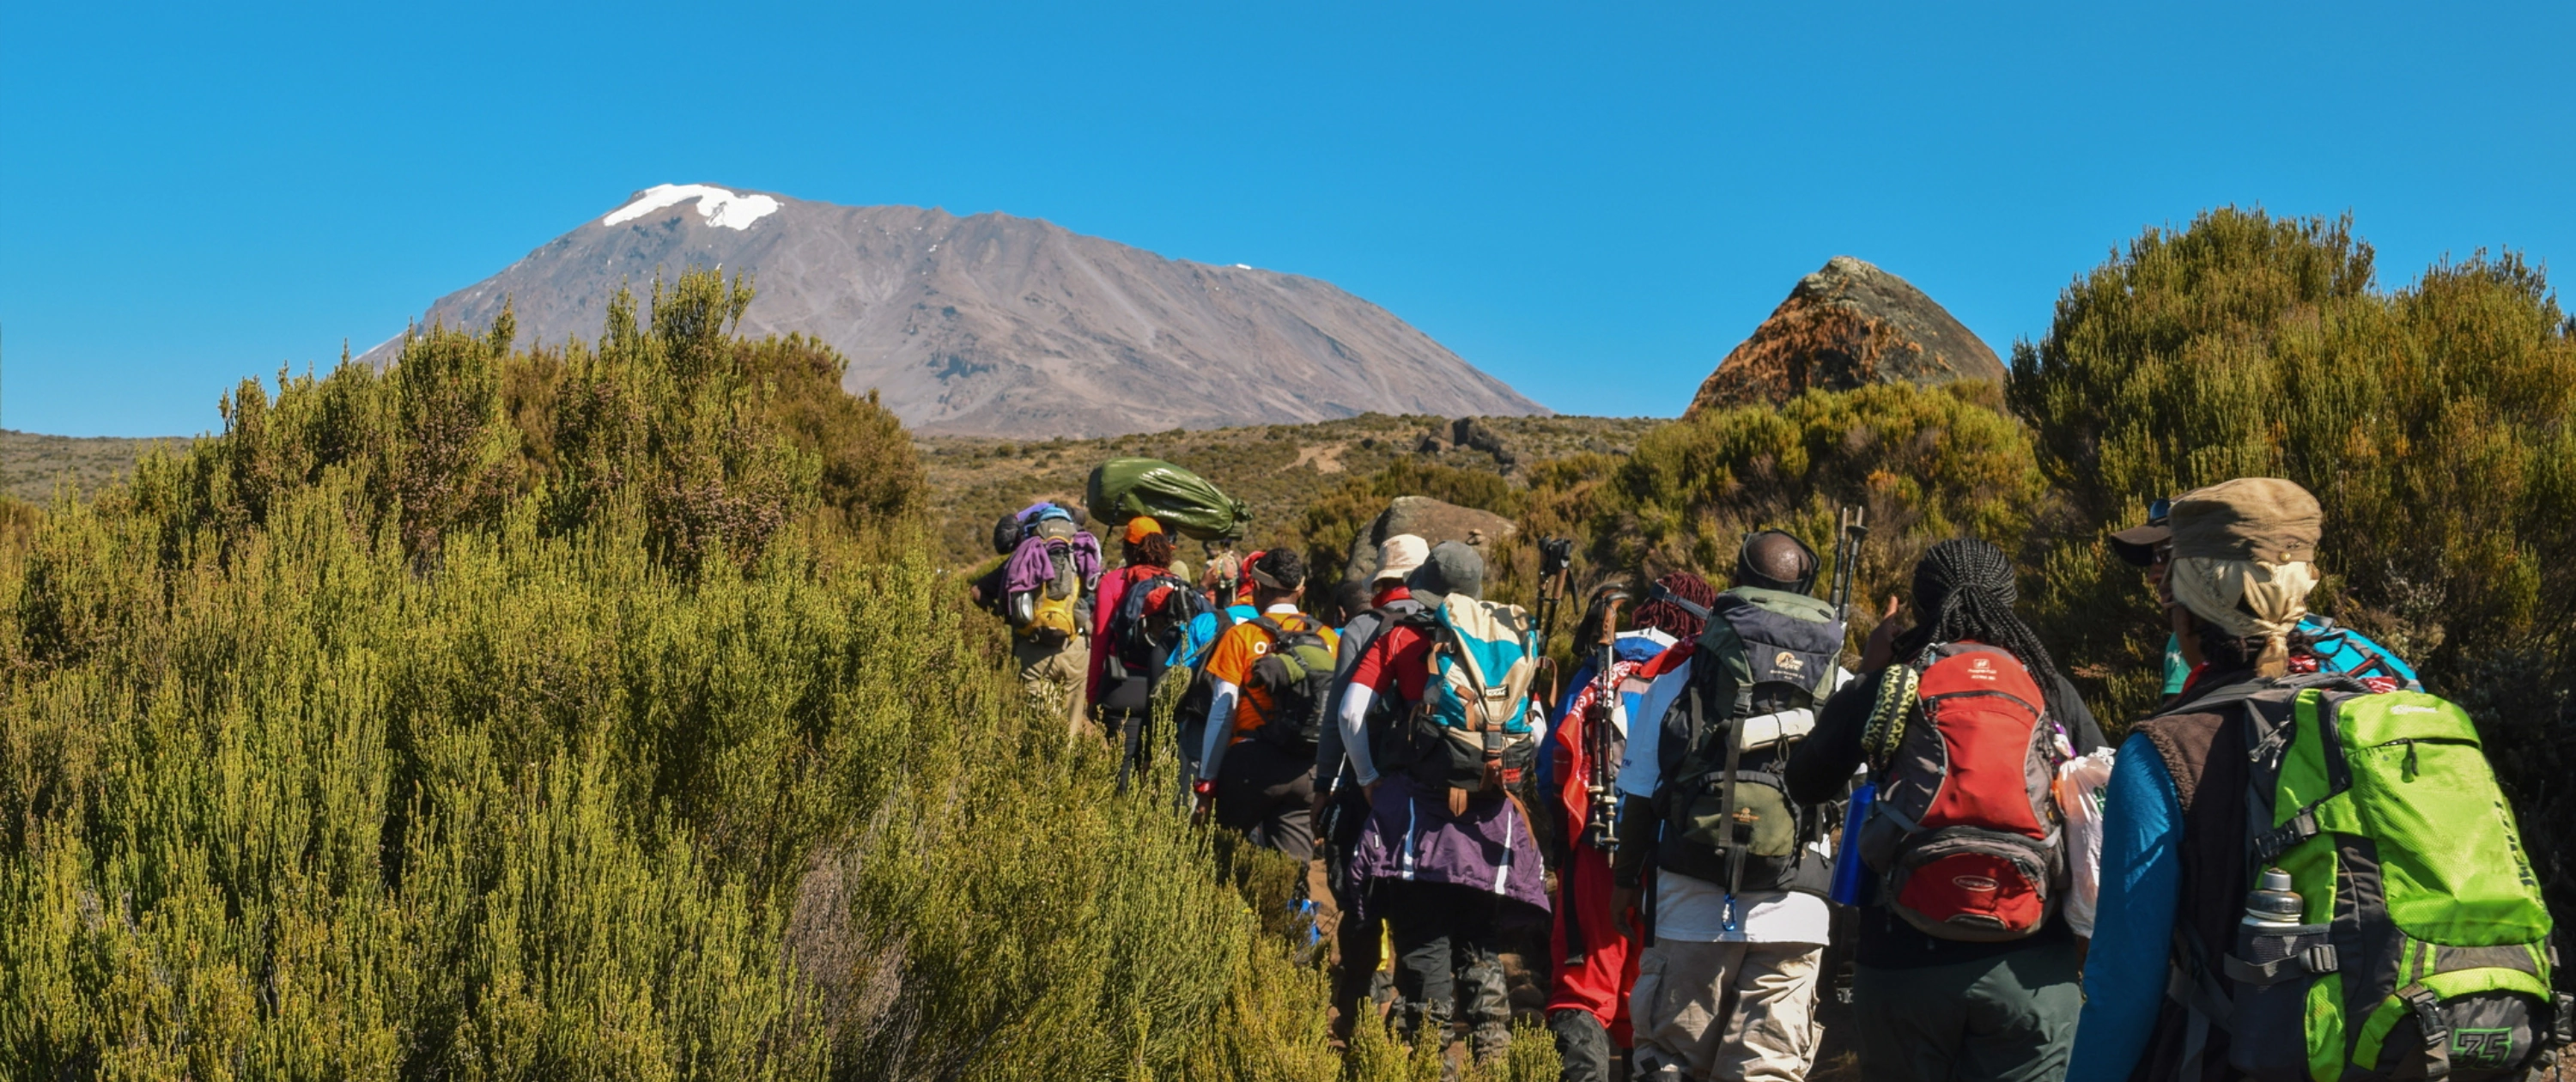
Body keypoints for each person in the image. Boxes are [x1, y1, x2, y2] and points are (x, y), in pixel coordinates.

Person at [1783, 538, 2107, 1082]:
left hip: (1903, 959)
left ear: (1921, 603)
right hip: (2030, 964)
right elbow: (2099, 807)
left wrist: (1869, 672)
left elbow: (1806, 782)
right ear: (2007, 600)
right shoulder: (2046, 687)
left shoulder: (1896, 680)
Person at [2068, 478, 2324, 1081]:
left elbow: (2124, 986)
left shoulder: (2163, 751)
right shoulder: (2378, 701)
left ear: (2187, 606)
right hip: (2382, 1044)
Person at [1607, 536, 1846, 1082]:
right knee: (1767, 1071)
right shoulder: (1839, 678)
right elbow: (1854, 791)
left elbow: (1641, 788)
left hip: (1694, 903)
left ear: (1737, 579)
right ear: (1805, 587)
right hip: (1796, 904)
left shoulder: (1686, 672)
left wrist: (1626, 882)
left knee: (1670, 1063)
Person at [1337, 541, 1551, 1066]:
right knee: (1479, 935)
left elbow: (1350, 712)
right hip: (1488, 813)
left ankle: (1433, 1060)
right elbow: (1538, 727)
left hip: (1418, 812)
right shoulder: (1506, 639)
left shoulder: (1403, 633)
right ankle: (1494, 1053)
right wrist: (1493, 768)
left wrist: (1368, 780)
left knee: (1424, 936)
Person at [1542, 571, 1710, 1082]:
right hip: (1670, 859)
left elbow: (1553, 757)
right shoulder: (1698, 668)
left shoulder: (1604, 661)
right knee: (1648, 998)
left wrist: (1560, 845)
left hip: (1599, 842)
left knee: (1584, 986)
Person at [2111, 496, 2419, 699]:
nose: (2153, 575)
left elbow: (2176, 747)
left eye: (2165, 556)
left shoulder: (2196, 641)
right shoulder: (2348, 644)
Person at [1312, 533, 1431, 1044]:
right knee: (1418, 910)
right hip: (1428, 790)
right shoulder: (1438, 627)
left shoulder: (1361, 627)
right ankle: (1414, 1023)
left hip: (1371, 786)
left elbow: (1341, 717)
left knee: (1362, 902)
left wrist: (1328, 784)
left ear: (1380, 581)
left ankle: (1355, 1010)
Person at [1194, 548, 1337, 859]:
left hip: (1249, 762)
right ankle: (1289, 908)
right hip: (1306, 769)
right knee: (1288, 876)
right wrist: (1330, 782)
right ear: (1300, 590)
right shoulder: (1328, 638)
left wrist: (1206, 783)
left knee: (1216, 863)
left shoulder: (1241, 636)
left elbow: (1222, 712)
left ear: (1256, 587)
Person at [969, 502, 1103, 733]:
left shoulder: (1023, 556)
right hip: (1076, 648)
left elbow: (976, 592)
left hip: (1032, 648)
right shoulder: (1083, 553)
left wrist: (1010, 618)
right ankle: (1068, 765)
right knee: (1070, 728)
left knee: (1042, 729)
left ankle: (1045, 766)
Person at [1092, 516, 1187, 775]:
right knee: (1156, 779)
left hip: (1122, 688)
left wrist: (1092, 697)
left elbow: (1100, 643)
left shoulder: (1114, 581)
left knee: (1119, 777)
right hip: (1169, 690)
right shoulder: (1176, 584)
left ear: (1127, 549)